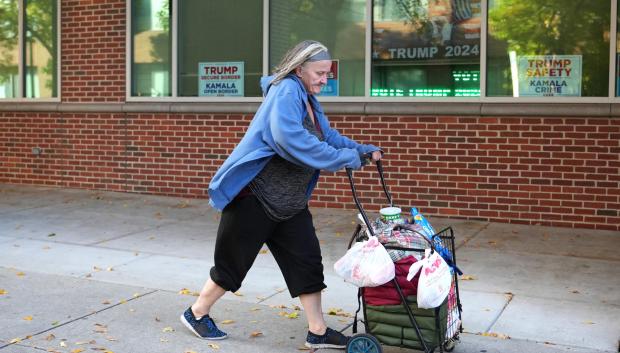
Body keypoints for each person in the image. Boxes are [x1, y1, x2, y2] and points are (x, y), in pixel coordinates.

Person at [180, 40, 382, 350]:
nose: (325, 80)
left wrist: (360, 150)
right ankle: (197, 313)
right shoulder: (286, 91)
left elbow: (327, 137)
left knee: (307, 262)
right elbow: (290, 139)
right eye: (319, 73)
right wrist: (345, 159)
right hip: (256, 197)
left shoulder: (307, 99)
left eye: (328, 74)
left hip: (289, 202)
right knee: (233, 263)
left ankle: (317, 330)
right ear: (300, 69)